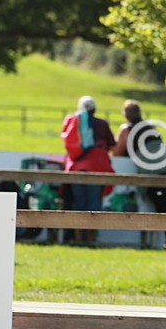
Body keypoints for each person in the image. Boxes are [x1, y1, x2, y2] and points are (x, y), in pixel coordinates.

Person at [60, 95, 114, 244]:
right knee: (94, 205)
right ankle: (91, 238)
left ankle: (78, 238)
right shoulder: (102, 124)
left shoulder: (73, 121)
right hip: (97, 167)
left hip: (77, 168)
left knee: (79, 204)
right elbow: (111, 145)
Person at [113, 99, 166, 213]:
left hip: (153, 172)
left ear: (126, 115)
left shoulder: (127, 129)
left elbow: (117, 153)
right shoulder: (151, 128)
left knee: (162, 208)